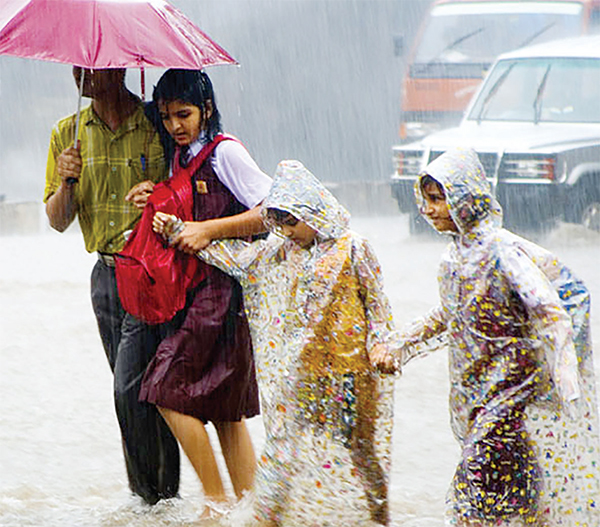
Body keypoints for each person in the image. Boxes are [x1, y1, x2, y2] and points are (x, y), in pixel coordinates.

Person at [153, 160, 397, 526]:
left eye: (291, 222)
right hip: (299, 380)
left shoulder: (354, 248)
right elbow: (234, 257)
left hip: (349, 378)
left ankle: (379, 517)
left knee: (362, 456)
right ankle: (265, 521)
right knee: (279, 460)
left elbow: (379, 311)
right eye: (278, 223)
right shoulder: (279, 253)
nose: (286, 231)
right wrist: (178, 230)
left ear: (312, 209)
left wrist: (381, 346)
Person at [371, 147, 600, 526]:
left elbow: (549, 309)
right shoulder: (453, 258)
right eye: (424, 200)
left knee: (472, 484)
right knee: (518, 481)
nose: (427, 210)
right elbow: (449, 315)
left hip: (513, 384)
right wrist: (400, 343)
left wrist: (565, 371)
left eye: (437, 199)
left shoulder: (502, 250)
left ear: (465, 198)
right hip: (477, 387)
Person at [133, 69, 272, 516]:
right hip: (198, 293)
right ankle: (252, 511)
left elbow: (275, 209)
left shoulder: (225, 152)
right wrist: (155, 200)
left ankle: (214, 505)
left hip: (225, 295)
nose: (175, 126)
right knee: (227, 412)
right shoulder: (181, 156)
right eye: (168, 116)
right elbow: (186, 217)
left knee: (162, 388)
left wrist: (209, 230)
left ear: (207, 109)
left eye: (185, 114)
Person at [43, 67, 181, 505]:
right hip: (105, 277)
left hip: (152, 269)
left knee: (131, 388)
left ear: (119, 68)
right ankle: (161, 498)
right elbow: (58, 220)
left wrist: (157, 194)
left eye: (90, 66)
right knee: (140, 390)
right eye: (76, 65)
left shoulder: (155, 125)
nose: (79, 74)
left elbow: (184, 190)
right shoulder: (68, 133)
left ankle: (151, 499)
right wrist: (66, 180)